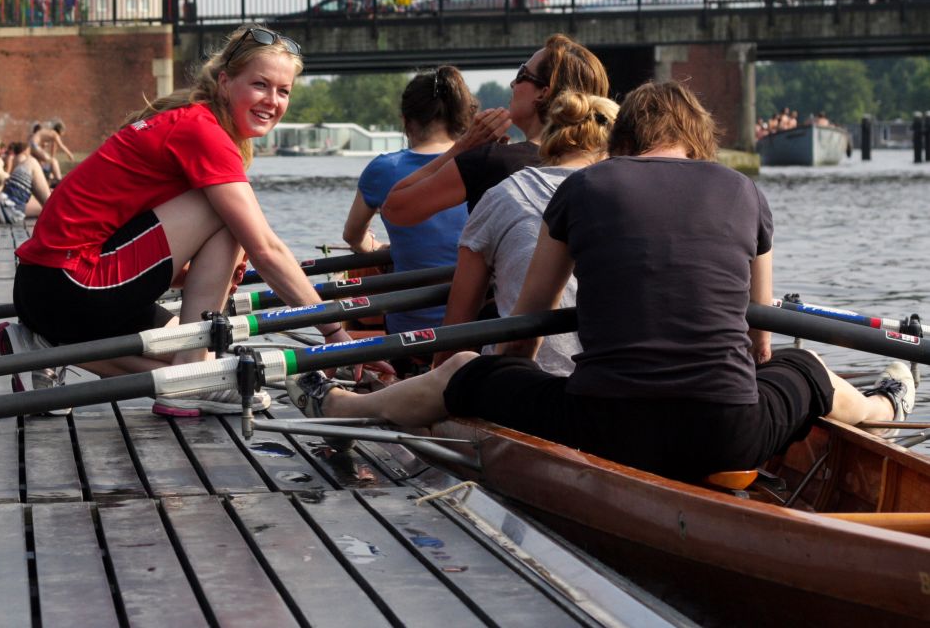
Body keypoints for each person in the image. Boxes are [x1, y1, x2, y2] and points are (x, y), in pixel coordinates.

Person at [290, 81, 915, 481]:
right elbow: (759, 344)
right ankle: (887, 404)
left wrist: (502, 394)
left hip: (603, 425)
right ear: (697, 140)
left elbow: (525, 329)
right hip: (729, 434)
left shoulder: (584, 186)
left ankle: (343, 405)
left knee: (461, 370)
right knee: (809, 369)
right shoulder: (744, 190)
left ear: (622, 140)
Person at [2, 25, 387, 417]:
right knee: (228, 221)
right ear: (225, 83)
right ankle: (191, 375)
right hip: (70, 285)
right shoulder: (203, 132)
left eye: (283, 91)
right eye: (260, 85)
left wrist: (200, 274)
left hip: (48, 287)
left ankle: (52, 346)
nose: (272, 101)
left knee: (190, 347)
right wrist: (334, 331)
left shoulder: (189, 120)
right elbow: (267, 250)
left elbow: (134, 241)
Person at [433, 91, 618, 375]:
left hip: (526, 379)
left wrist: (437, 379)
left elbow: (458, 328)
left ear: (551, 140)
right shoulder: (633, 201)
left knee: (456, 367)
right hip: (617, 379)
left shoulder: (503, 194)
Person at [382, 34, 609, 224]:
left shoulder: (493, 161)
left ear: (543, 93)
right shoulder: (607, 166)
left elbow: (394, 209)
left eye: (522, 74)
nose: (513, 84)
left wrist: (462, 149)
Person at [341, 67, 476, 335]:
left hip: (410, 329)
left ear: (406, 121)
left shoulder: (384, 169)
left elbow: (352, 237)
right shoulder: (485, 161)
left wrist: (376, 247)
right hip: (479, 327)